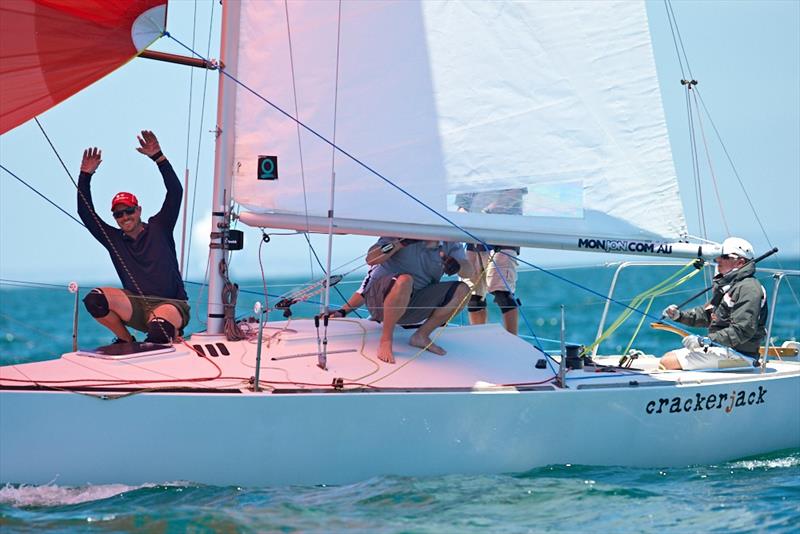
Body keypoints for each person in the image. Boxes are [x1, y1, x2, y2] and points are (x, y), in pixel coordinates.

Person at [77, 130, 190, 345]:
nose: (124, 217)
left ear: (138, 210)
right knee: (94, 300)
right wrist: (85, 175)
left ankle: (172, 333)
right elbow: (85, 213)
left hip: (171, 305)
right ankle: (126, 340)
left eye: (128, 211)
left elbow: (175, 192)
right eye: (118, 214)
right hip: (136, 306)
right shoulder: (114, 239)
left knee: (158, 332)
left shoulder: (160, 227)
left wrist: (158, 157)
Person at [660, 237, 767, 370]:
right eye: (718, 256)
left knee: (667, 362)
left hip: (741, 355)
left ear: (740, 262)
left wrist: (705, 341)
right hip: (725, 349)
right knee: (668, 356)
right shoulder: (730, 285)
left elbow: (742, 330)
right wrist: (679, 316)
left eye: (725, 256)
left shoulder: (748, 288)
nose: (718, 260)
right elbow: (708, 315)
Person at [362, 238, 472, 363]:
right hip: (378, 304)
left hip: (412, 305)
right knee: (405, 280)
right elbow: (371, 259)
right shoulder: (402, 231)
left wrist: (457, 265)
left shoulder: (449, 241)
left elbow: (470, 272)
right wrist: (399, 244)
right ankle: (386, 339)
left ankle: (421, 336)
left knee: (463, 290)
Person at [454, 188, 525, 334]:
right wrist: (464, 216)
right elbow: (462, 206)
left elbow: (513, 196)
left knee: (501, 291)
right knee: (473, 295)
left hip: (504, 236)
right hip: (474, 238)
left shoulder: (509, 173)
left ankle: (513, 339)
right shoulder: (469, 179)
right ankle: (480, 337)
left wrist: (484, 212)